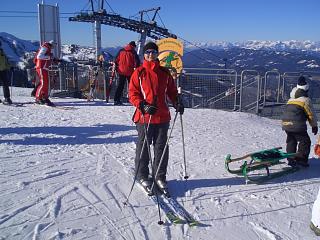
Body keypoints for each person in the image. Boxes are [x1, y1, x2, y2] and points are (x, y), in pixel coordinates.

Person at [129, 41, 184, 195]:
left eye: (153, 52)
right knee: (144, 146)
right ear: (144, 55)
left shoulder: (165, 73)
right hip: (144, 117)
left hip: (162, 116)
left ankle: (159, 176)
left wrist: (177, 102)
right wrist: (143, 105)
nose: (150, 55)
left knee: (161, 147)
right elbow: (132, 94)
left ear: (157, 54)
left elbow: (171, 91)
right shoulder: (139, 72)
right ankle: (142, 175)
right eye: (148, 52)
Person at [281, 76, 318, 167]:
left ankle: (291, 159)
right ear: (306, 89)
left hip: (285, 123)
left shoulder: (290, 99)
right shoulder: (306, 100)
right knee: (305, 141)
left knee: (291, 140)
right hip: (296, 125)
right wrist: (314, 126)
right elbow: (310, 115)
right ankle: (301, 160)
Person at [114, 41, 140, 105]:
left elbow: (116, 60)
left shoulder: (121, 50)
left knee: (120, 86)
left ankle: (116, 99)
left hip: (121, 71)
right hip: (130, 72)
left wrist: (117, 67)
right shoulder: (133, 52)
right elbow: (137, 62)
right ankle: (133, 99)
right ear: (133, 46)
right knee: (132, 86)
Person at [34, 40, 57, 106]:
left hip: (44, 67)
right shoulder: (45, 47)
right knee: (43, 83)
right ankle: (38, 98)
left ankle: (44, 97)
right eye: (54, 46)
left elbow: (46, 56)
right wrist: (49, 57)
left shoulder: (48, 48)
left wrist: (53, 59)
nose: (54, 47)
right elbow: (39, 56)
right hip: (41, 67)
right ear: (52, 44)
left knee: (46, 83)